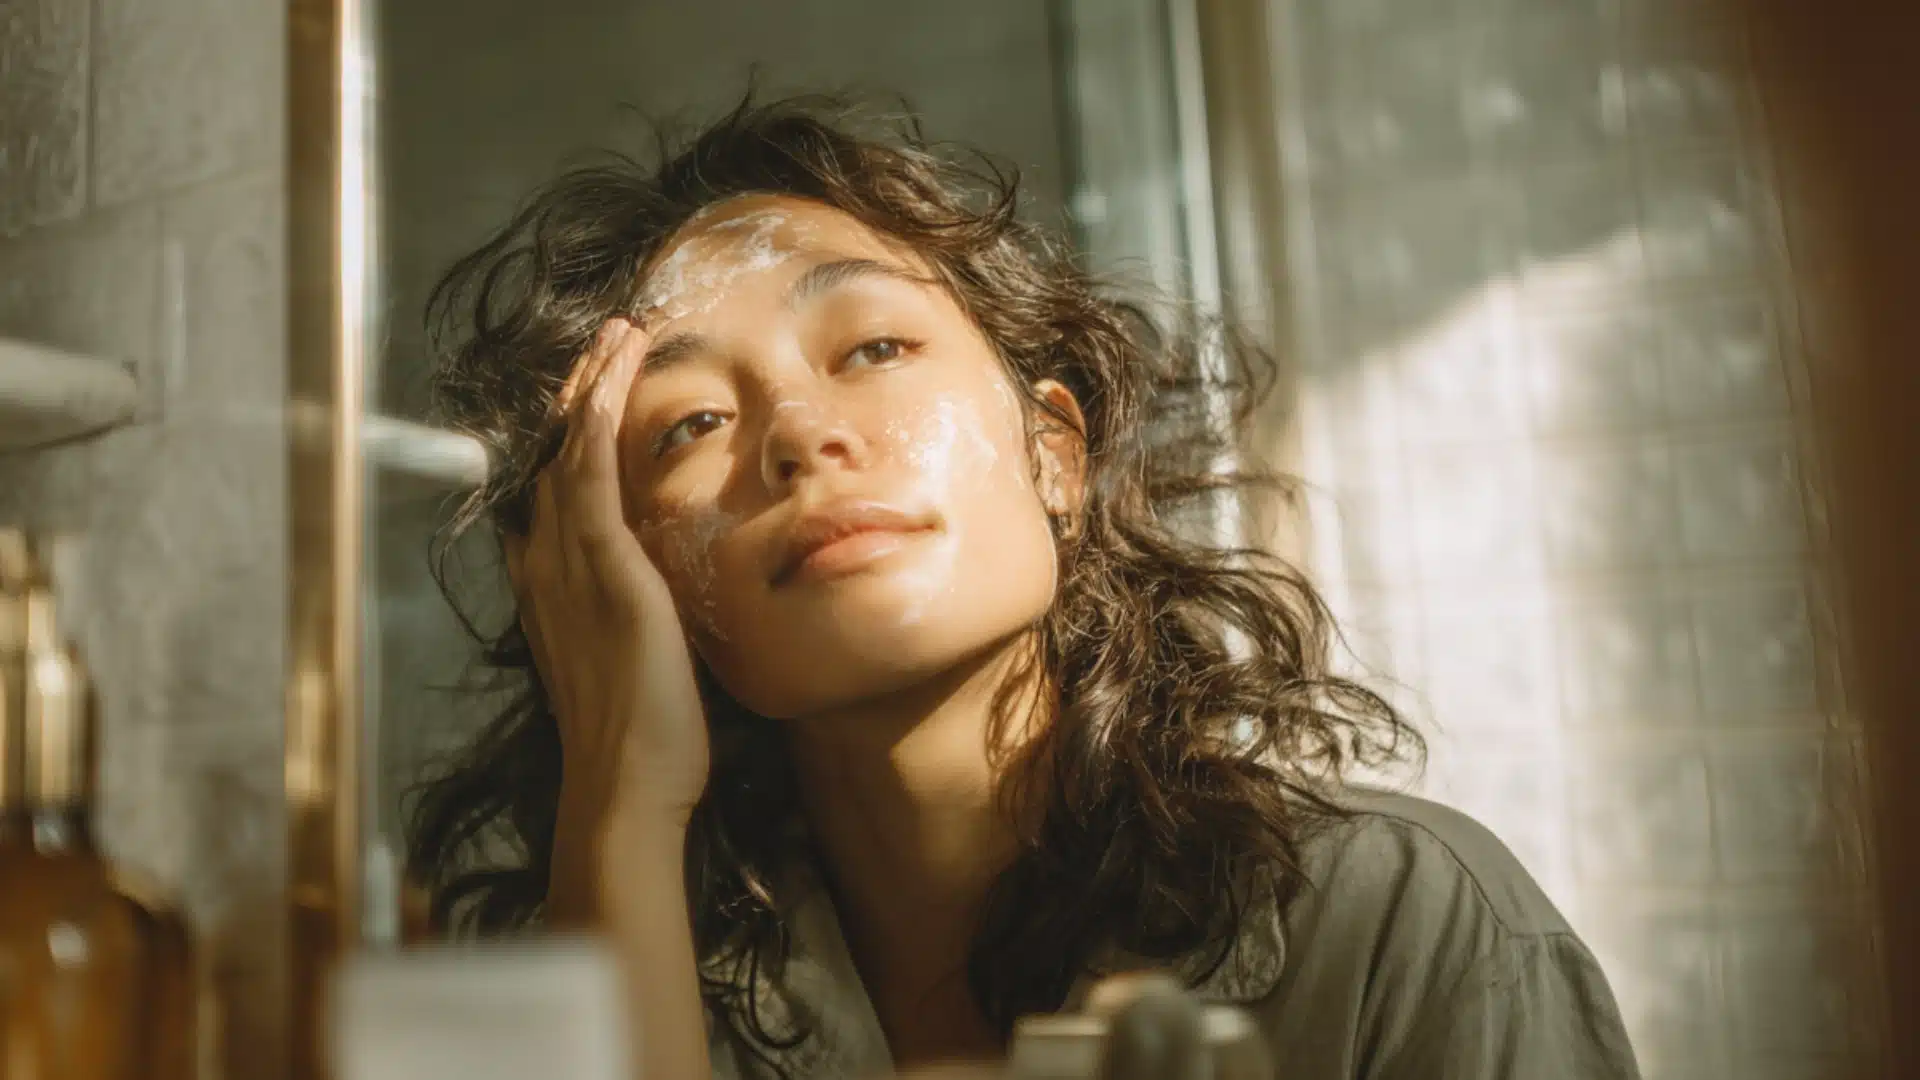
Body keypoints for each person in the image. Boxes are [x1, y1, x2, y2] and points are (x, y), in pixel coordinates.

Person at [407, 96, 1641, 1080]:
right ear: (623, 574)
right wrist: (615, 803)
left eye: (875, 349)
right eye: (692, 422)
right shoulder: (596, 952)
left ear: (1057, 451)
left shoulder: (1402, 928)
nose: (796, 435)